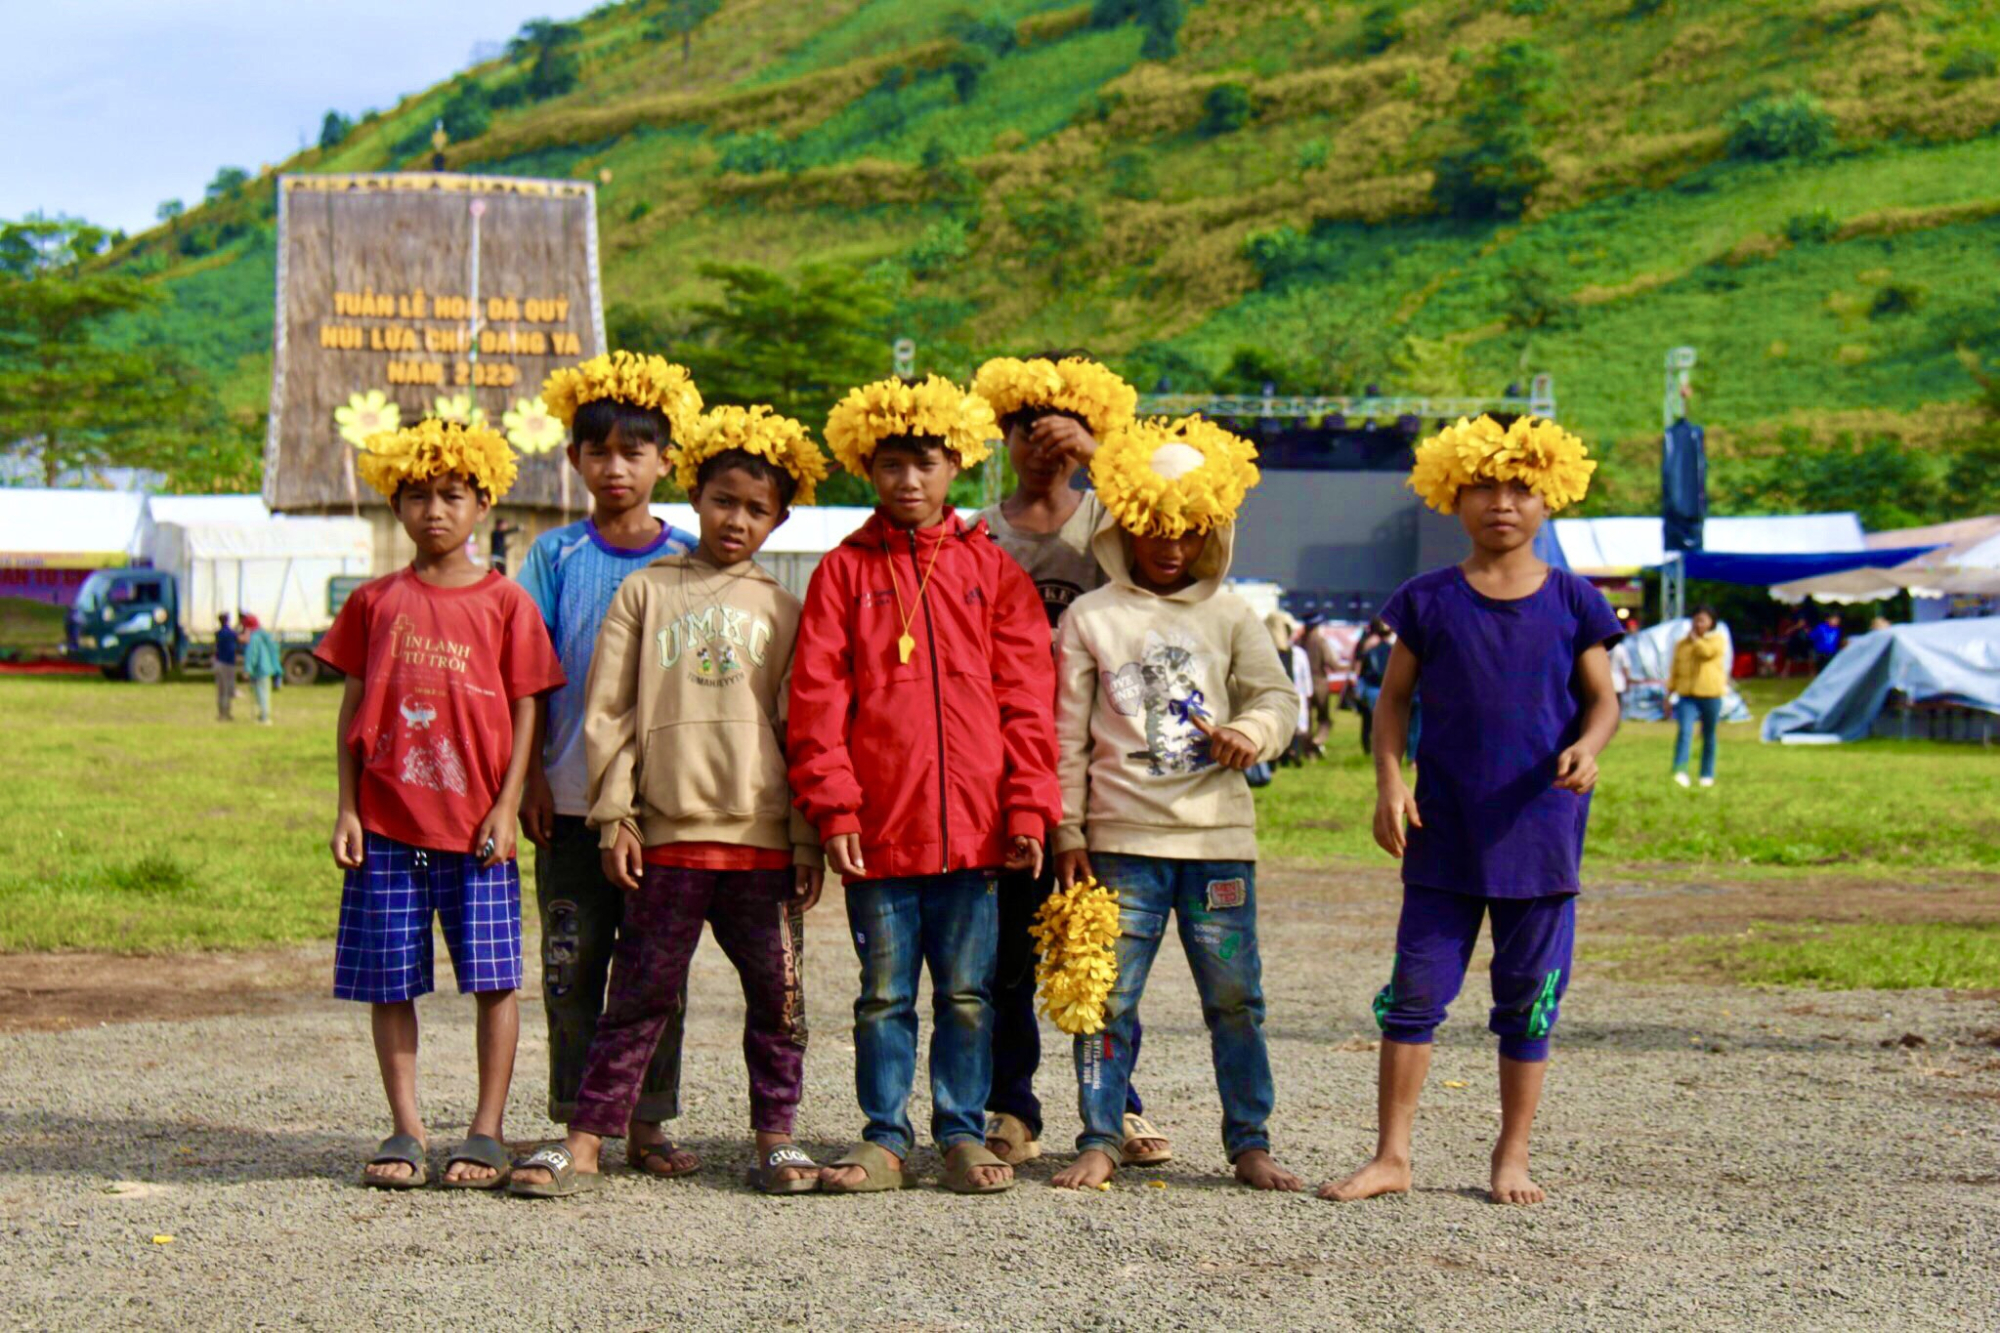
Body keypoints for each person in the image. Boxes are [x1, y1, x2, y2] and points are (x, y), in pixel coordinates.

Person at [508, 406, 831, 1199]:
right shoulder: (644, 594)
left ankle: (776, 1138)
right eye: (724, 500)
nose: (737, 519)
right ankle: (585, 1140)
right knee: (638, 993)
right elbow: (608, 716)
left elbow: (803, 729)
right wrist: (616, 813)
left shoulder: (785, 609)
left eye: (757, 509)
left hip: (758, 844)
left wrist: (804, 840)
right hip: (667, 839)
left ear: (781, 518)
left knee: (780, 998)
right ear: (695, 494)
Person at [1322, 413, 1621, 1208]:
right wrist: (1390, 780)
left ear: (1549, 498)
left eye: (1521, 487)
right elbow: (1392, 703)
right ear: (1451, 496)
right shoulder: (1426, 600)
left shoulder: (1575, 600)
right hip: (1442, 833)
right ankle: (1392, 1154)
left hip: (1540, 837)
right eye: (1483, 486)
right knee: (1413, 996)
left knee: (1529, 1004)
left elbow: (1604, 701)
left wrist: (1590, 747)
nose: (1502, 502)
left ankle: (1511, 1154)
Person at [789, 374, 1062, 1196]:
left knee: (971, 995)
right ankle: (883, 1138)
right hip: (879, 834)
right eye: (891, 465)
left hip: (977, 833)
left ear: (957, 466)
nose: (909, 481)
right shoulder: (841, 574)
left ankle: (961, 1131)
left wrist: (1027, 806)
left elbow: (1027, 700)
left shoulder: (993, 572)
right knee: (881, 998)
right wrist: (834, 804)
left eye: (927, 464)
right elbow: (816, 702)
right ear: (866, 469)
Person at [1047, 415, 1303, 1193]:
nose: (1168, 542)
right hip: (1120, 847)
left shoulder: (1233, 615)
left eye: (1188, 529)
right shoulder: (1090, 617)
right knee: (1106, 1000)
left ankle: (1249, 1142)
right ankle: (1099, 1135)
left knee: (1235, 1001)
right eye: (1151, 525)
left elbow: (1278, 698)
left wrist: (1252, 733)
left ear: (1212, 529)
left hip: (1218, 845)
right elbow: (1065, 737)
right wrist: (1066, 829)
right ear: (1121, 520)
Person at [315, 420, 564, 1190]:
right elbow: (352, 706)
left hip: (476, 830)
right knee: (390, 980)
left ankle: (486, 1130)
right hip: (388, 826)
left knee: (494, 978)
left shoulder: (506, 603)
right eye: (417, 495)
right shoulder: (374, 601)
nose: (434, 511)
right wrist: (348, 806)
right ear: (395, 505)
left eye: (452, 495)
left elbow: (528, 707)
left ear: (483, 502)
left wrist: (508, 801)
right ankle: (406, 1127)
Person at [968, 351, 1170, 1170]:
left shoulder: (1113, 523)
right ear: (1002, 435)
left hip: (1102, 758)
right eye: (1026, 426)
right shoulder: (979, 528)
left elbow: (1177, 535)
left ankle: (1115, 1101)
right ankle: (1010, 1104)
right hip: (1003, 764)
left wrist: (1098, 454)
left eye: (1062, 426)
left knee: (1100, 944)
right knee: (1005, 950)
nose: (1043, 441)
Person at [515, 351, 704, 1180]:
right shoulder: (553, 557)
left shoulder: (696, 558)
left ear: (668, 459)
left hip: (667, 805)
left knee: (656, 966)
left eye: (636, 449)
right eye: (599, 450)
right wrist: (523, 781)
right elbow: (524, 676)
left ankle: (648, 1120)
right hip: (565, 796)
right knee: (572, 960)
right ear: (574, 459)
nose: (616, 466)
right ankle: (573, 1117)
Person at [1669, 605, 1727, 789]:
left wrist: (1696, 640)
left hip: (1711, 695)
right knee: (1685, 732)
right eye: (1696, 620)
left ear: (1711, 622)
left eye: (1703, 620)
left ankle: (1706, 774)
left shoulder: (1717, 640)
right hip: (1686, 695)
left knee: (1709, 734)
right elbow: (1675, 669)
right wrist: (1669, 692)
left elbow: (1707, 654)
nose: (1699, 624)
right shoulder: (1681, 644)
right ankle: (1680, 771)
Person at [241, 613, 280, 725]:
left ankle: (264, 718)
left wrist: (247, 670)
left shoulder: (254, 638)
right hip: (267, 669)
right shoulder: (264, 635)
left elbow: (251, 655)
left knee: (261, 694)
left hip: (259, 670)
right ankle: (264, 716)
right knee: (265, 693)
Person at [213, 612, 240, 721]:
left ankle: (221, 713)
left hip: (219, 662)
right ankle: (227, 713)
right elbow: (239, 639)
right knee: (227, 690)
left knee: (220, 691)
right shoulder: (231, 633)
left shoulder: (218, 633)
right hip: (229, 664)